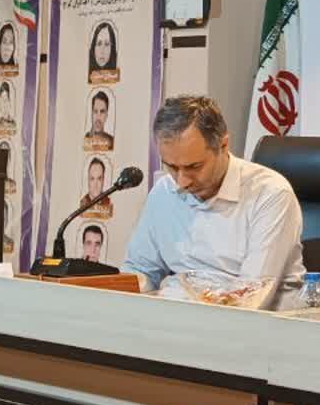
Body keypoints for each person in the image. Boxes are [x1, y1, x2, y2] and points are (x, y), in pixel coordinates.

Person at [121, 95, 307, 309]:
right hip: (176, 314)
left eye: (193, 167)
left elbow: (252, 295)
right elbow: (140, 269)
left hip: (256, 321)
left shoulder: (269, 194)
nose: (181, 182)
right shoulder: (164, 192)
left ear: (223, 145)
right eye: (171, 167)